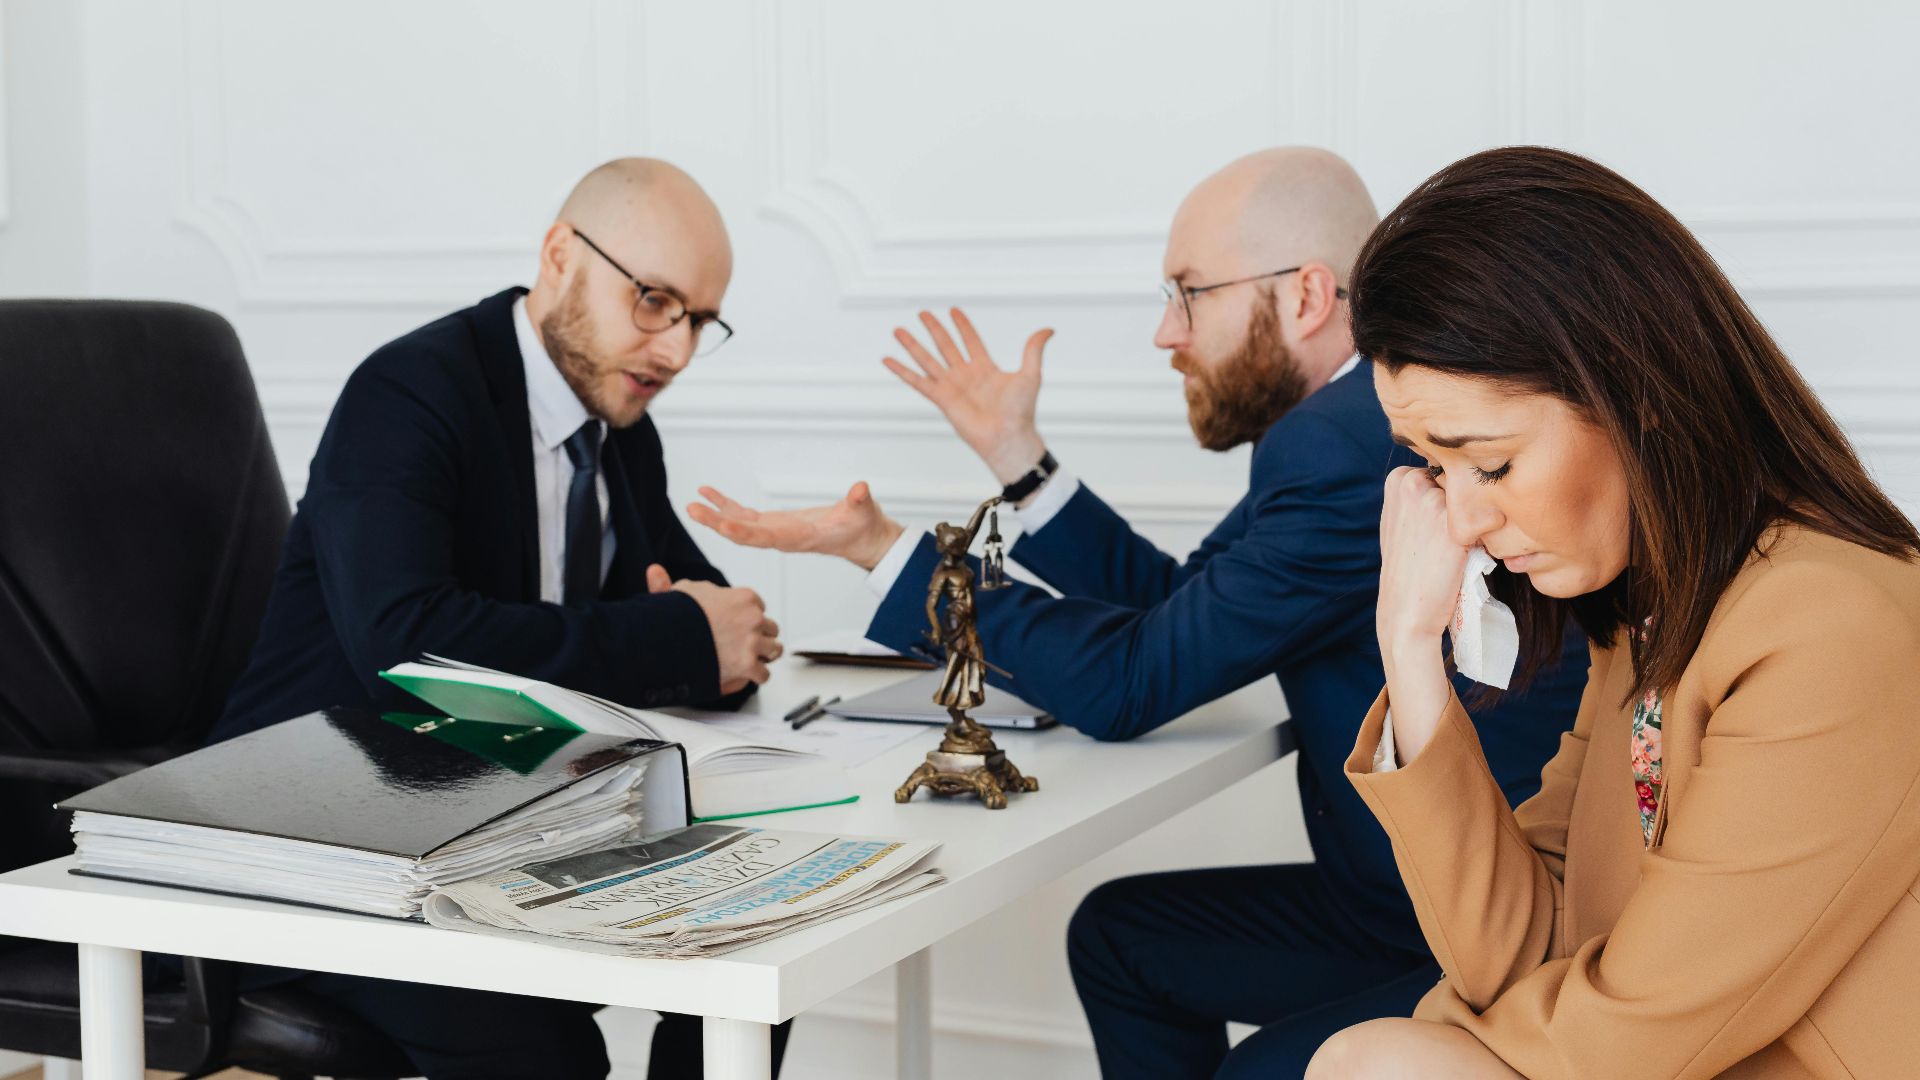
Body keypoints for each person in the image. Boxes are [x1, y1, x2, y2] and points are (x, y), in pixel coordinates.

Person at [685, 148, 1589, 1076]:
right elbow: (1178, 607)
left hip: (1487, 924)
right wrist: (1020, 462)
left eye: (1190, 293)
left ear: (1308, 296)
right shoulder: (1342, 426)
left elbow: (1128, 683)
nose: (1167, 332)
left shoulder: (1346, 446)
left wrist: (891, 556)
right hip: (1398, 901)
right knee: (1125, 941)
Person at [1304, 146, 1920, 1079]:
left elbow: (1631, 1043)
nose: (1462, 520)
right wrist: (1408, 650)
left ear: (1638, 395)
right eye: (1436, 467)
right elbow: (1520, 949)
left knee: (1378, 1062)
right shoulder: (1656, 618)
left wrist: (1423, 1040)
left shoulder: (1829, 624)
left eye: (1493, 463)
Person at [213, 159, 790, 1079]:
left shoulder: (619, 423)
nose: (675, 350)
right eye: (653, 300)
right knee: (546, 1051)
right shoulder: (408, 394)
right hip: (327, 834)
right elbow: (411, 655)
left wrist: (722, 635)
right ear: (560, 255)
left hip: (492, 817)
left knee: (757, 941)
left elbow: (696, 603)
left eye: (699, 321)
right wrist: (683, 639)